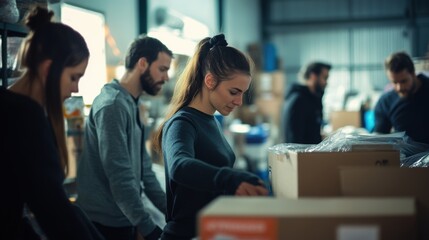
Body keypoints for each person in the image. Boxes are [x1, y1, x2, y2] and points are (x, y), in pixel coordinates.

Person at [152, 34, 269, 240]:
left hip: (211, 231)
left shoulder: (211, 121)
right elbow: (180, 165)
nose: (239, 101)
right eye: (234, 92)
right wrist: (229, 179)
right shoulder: (182, 123)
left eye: (242, 93)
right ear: (210, 81)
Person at [0, 6, 102, 240]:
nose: (75, 88)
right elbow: (53, 210)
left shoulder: (9, 106)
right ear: (48, 69)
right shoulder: (26, 118)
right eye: (74, 77)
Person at [76, 36, 173, 240]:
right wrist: (149, 228)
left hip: (123, 218)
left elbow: (145, 171)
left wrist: (172, 212)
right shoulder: (112, 105)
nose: (166, 78)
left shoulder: (133, 104)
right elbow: (120, 176)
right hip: (102, 223)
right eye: (162, 69)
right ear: (142, 63)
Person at [373, 51, 429, 144]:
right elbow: (379, 140)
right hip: (403, 157)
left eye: (404, 81)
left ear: (413, 73)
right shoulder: (386, 102)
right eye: (395, 82)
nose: (400, 88)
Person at [281, 61, 331, 144]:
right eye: (325, 78)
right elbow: (295, 141)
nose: (326, 83)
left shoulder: (313, 98)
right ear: (313, 76)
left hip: (312, 154)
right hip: (305, 156)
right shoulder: (299, 101)